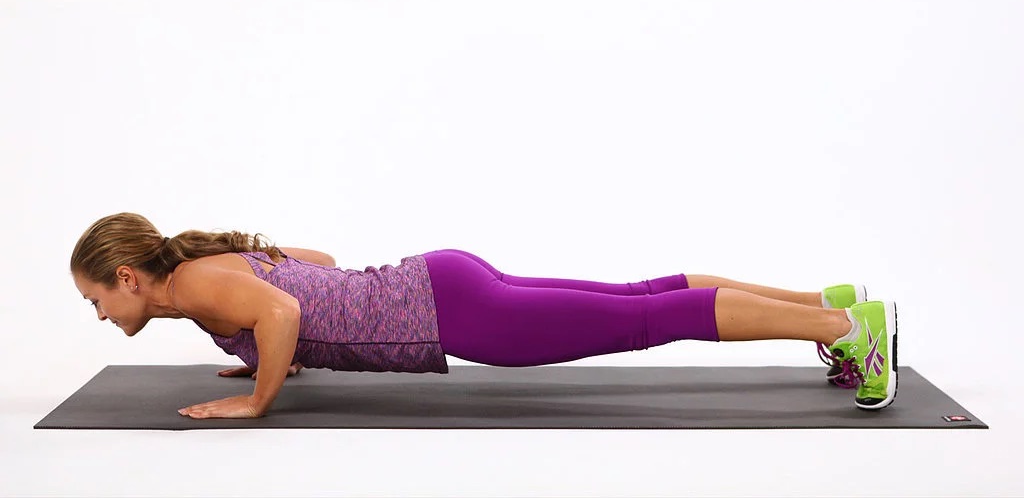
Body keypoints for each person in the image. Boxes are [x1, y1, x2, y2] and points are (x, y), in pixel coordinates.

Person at [71, 213, 898, 420]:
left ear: (127, 278)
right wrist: (253, 350)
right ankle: (824, 304)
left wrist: (259, 400)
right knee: (639, 296)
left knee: (646, 320)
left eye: (96, 300)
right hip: (444, 279)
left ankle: (841, 333)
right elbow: (310, 270)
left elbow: (285, 311)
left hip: (452, 319)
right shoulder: (202, 270)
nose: (98, 314)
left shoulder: (201, 285)